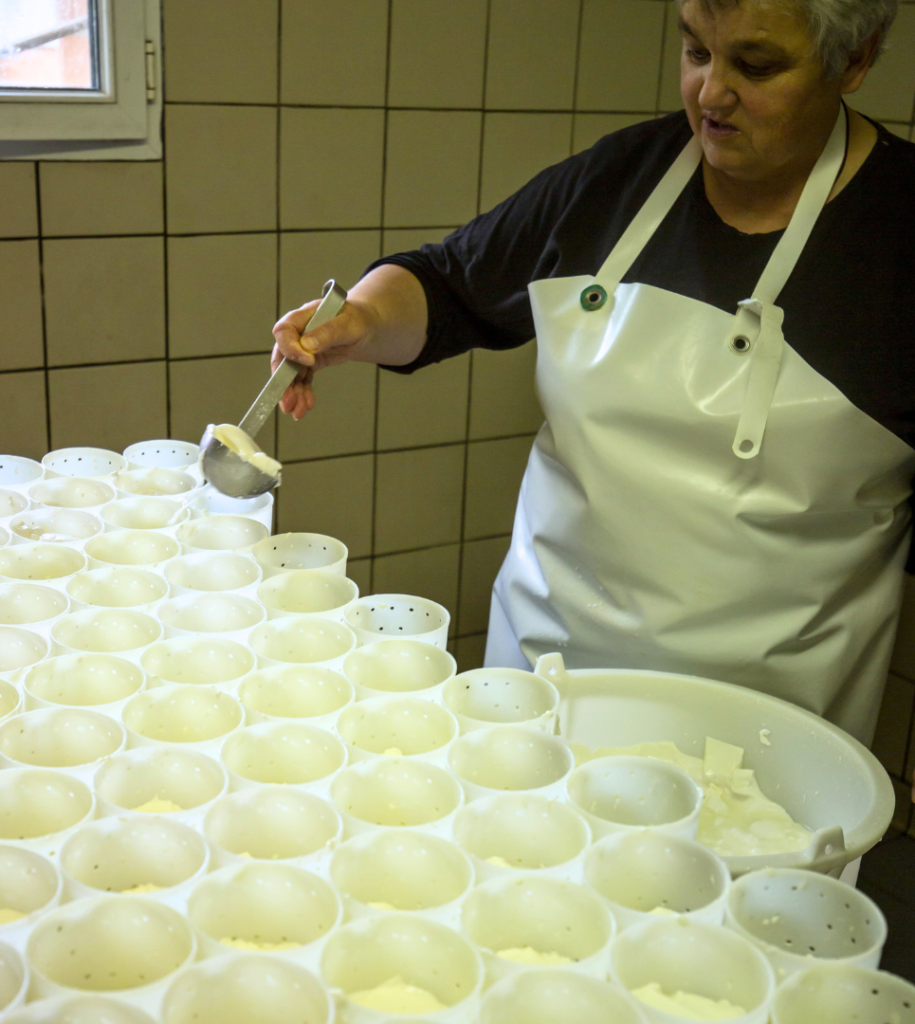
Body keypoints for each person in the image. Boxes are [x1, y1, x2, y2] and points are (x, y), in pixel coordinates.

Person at [270, 0, 915, 772]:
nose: (710, 93)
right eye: (695, 51)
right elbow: (449, 285)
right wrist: (364, 319)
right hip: (546, 690)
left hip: (765, 742)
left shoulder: (900, 234)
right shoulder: (623, 180)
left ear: (856, 59)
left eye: (756, 65)